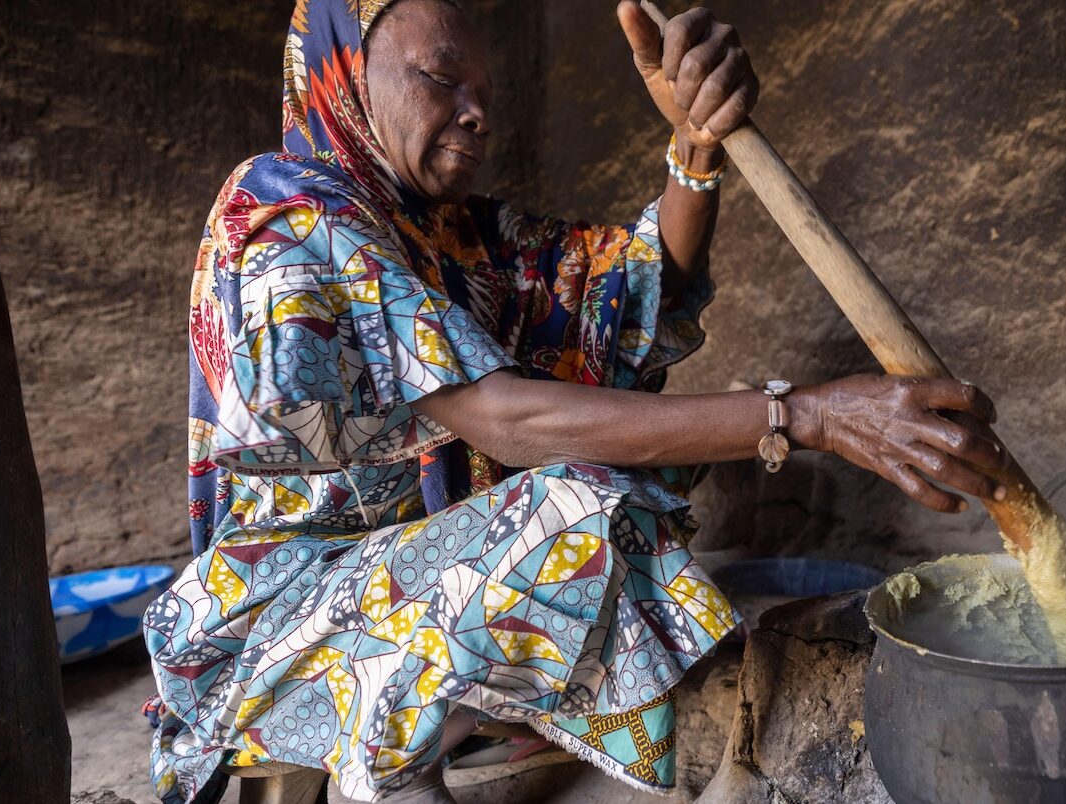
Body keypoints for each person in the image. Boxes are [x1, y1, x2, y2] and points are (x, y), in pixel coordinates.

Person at [145, 0, 1009, 801]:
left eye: (483, 91)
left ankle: (461, 724)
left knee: (657, 458)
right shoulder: (286, 210)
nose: (478, 113)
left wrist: (697, 146)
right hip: (270, 628)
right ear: (343, 72)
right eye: (441, 80)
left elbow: (629, 295)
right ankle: (410, 755)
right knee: (583, 504)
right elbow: (510, 420)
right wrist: (804, 416)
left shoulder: (451, 239)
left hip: (402, 588)